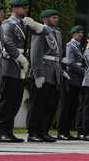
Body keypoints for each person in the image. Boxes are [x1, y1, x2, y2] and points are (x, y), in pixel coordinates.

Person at [0, 0, 37, 142]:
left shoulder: (23, 25)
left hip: (19, 68)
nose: (25, 10)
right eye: (22, 8)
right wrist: (20, 58)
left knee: (15, 102)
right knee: (6, 101)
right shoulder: (8, 24)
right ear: (14, 9)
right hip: (9, 66)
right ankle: (1, 131)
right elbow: (8, 43)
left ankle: (8, 131)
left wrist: (34, 25)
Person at [27, 8, 62, 142]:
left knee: (49, 105)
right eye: (53, 17)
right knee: (37, 104)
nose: (56, 19)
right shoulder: (40, 31)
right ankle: (33, 132)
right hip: (43, 72)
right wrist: (37, 74)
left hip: (53, 74)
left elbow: (58, 55)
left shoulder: (57, 33)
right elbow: (35, 54)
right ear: (44, 19)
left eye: (56, 17)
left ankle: (43, 131)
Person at [57, 24, 86, 140]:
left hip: (77, 80)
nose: (80, 34)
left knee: (72, 106)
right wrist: (84, 72)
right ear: (73, 34)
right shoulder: (71, 46)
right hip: (70, 79)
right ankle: (62, 131)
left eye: (82, 32)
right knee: (65, 106)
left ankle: (67, 131)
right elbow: (71, 63)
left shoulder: (79, 46)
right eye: (78, 32)